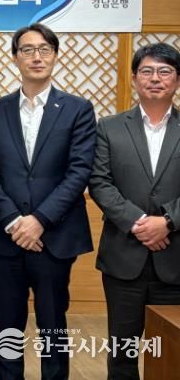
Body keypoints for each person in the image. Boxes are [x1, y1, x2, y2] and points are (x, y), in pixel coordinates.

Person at [0, 23, 96, 380]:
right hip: (8, 236)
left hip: (54, 237)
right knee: (7, 326)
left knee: (53, 324)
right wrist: (15, 221)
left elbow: (79, 171)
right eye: (27, 50)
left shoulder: (77, 109)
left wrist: (40, 220)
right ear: (15, 58)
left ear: (55, 55)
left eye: (44, 49)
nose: (37, 57)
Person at [89, 42, 180, 380]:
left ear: (177, 80)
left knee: (171, 353)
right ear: (134, 78)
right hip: (123, 258)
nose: (155, 78)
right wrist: (140, 223)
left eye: (164, 71)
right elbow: (99, 182)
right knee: (123, 352)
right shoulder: (109, 127)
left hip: (176, 258)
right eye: (147, 71)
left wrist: (168, 221)